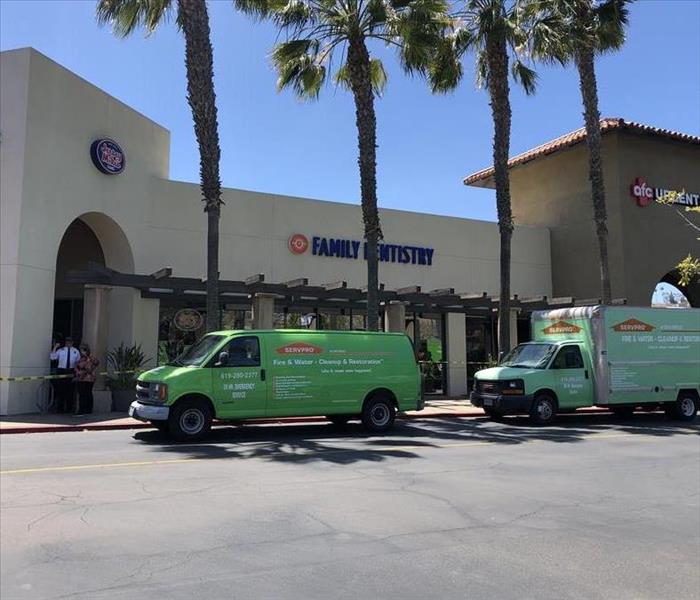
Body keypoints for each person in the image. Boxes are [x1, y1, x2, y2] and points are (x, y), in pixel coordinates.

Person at [50, 337, 80, 413]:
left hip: (71, 370)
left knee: (70, 391)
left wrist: (76, 371)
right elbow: (53, 357)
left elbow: (78, 362)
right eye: (67, 342)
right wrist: (55, 347)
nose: (68, 343)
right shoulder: (61, 350)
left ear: (72, 342)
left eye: (70, 342)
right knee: (60, 390)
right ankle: (60, 409)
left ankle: (69, 409)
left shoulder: (75, 351)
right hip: (61, 370)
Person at [75, 344, 99, 415]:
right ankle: (87, 409)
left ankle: (83, 410)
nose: (82, 352)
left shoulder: (90, 358)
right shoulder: (81, 358)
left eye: (83, 350)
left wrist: (88, 361)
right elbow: (77, 366)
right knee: (85, 394)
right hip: (82, 378)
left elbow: (94, 364)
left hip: (87, 378)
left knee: (85, 394)